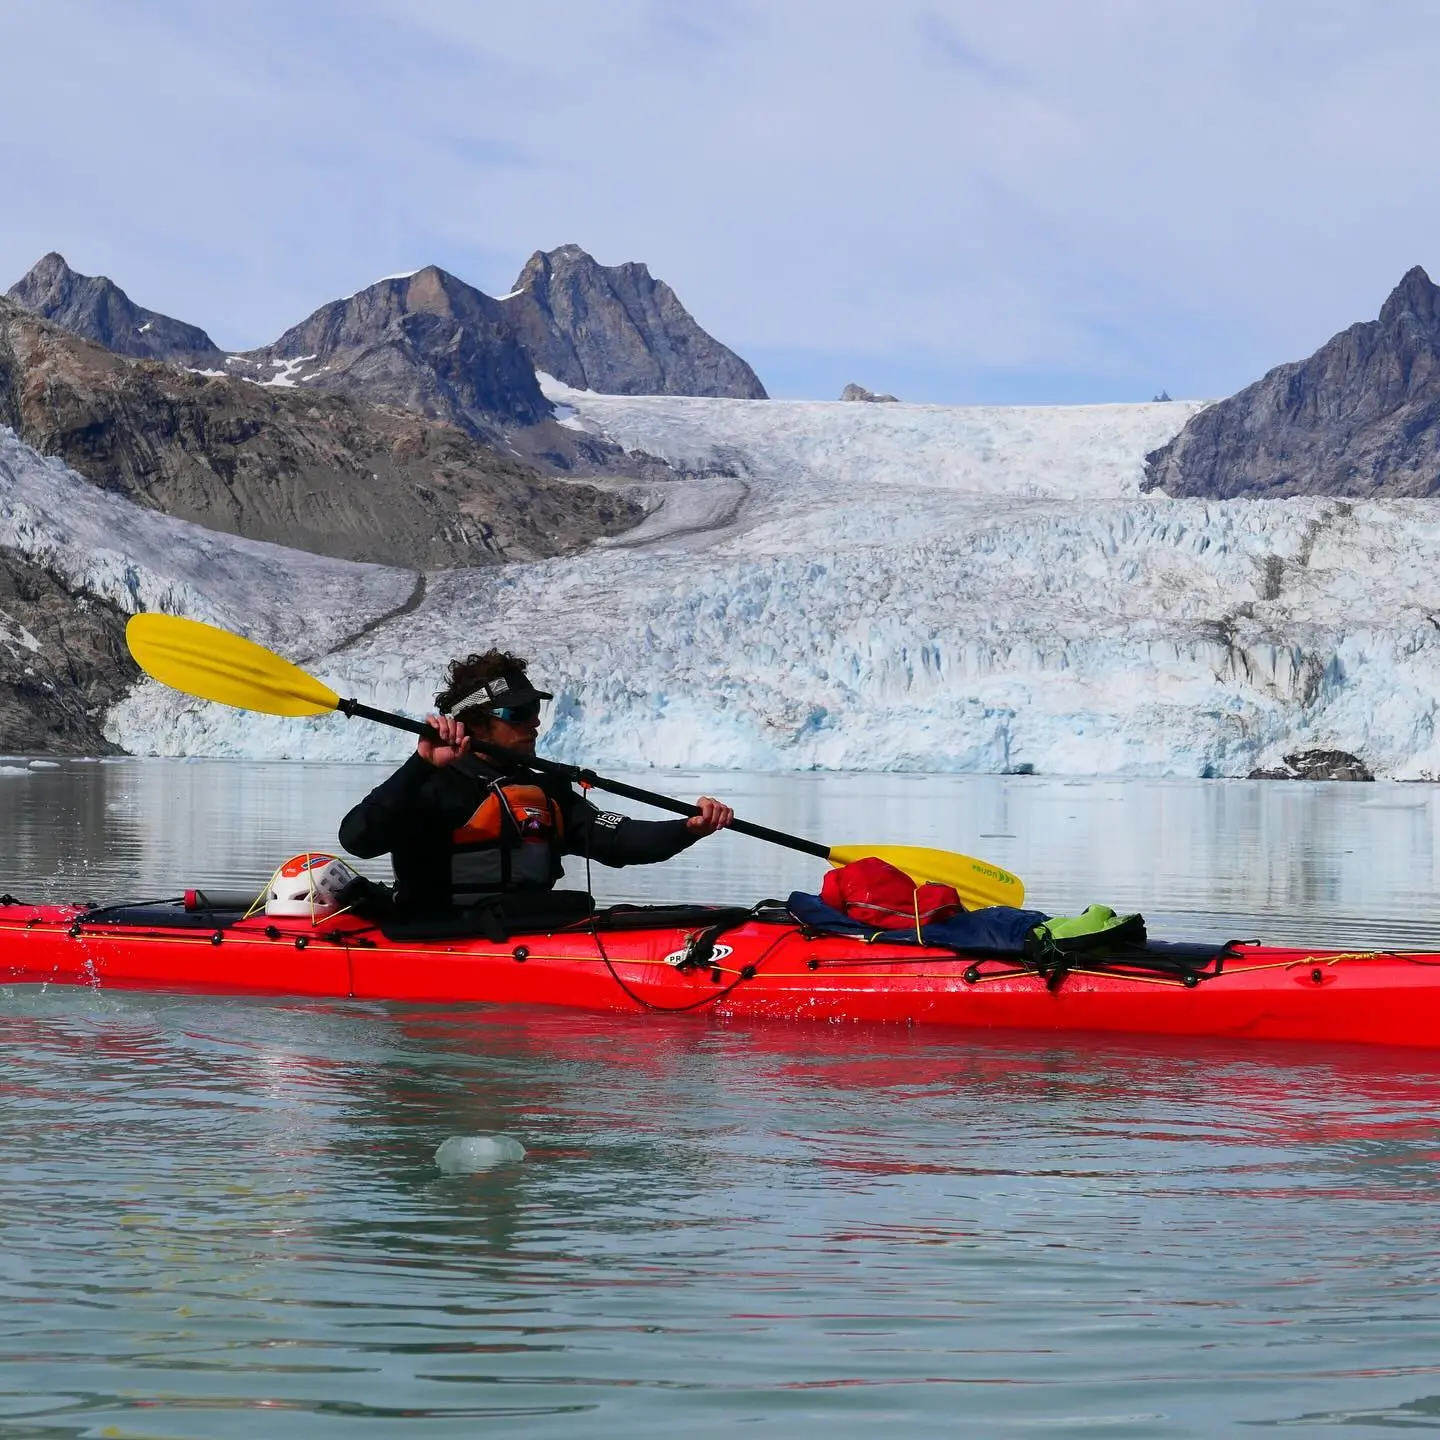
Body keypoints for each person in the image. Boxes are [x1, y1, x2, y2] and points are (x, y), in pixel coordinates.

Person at [338, 649, 733, 919]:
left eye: (536, 710)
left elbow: (619, 841)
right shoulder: (432, 785)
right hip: (439, 935)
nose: (535, 722)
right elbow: (358, 838)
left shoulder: (546, 791)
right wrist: (420, 763)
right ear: (475, 722)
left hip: (529, 932)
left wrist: (688, 829)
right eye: (520, 712)